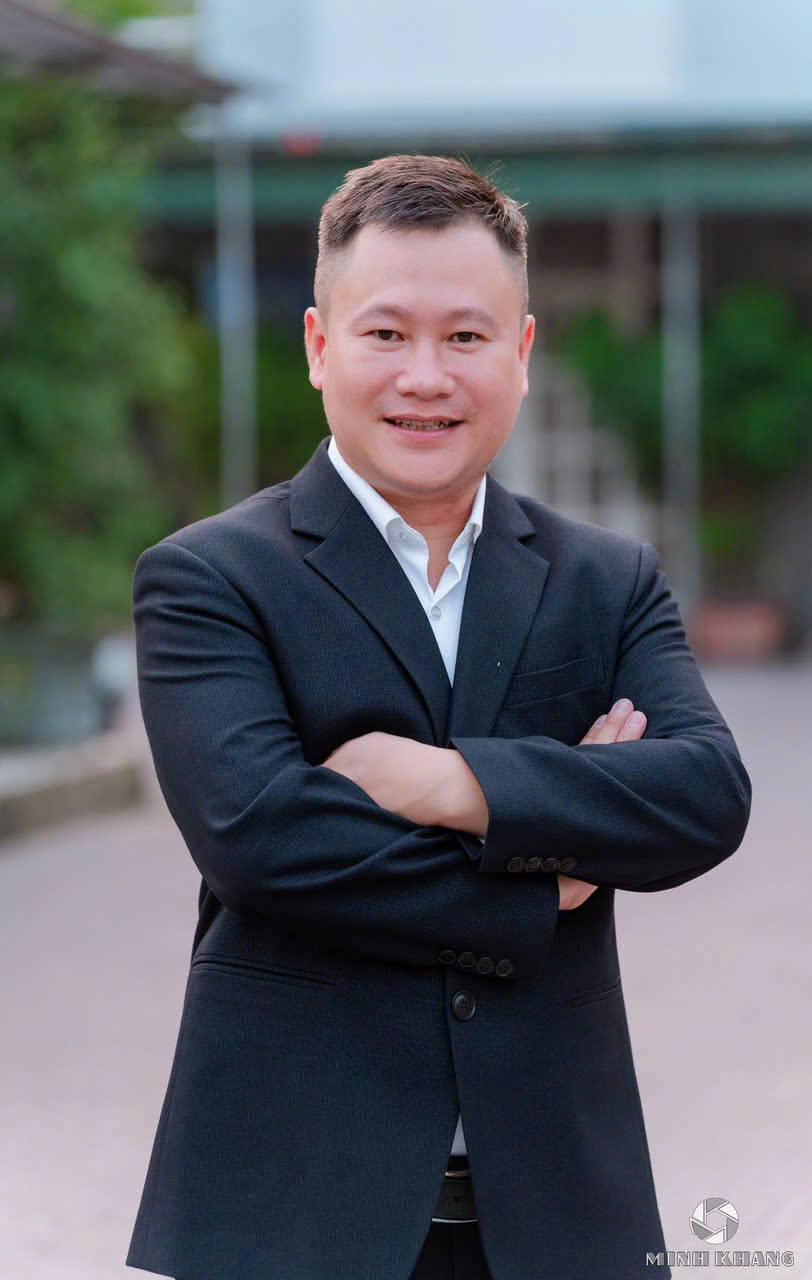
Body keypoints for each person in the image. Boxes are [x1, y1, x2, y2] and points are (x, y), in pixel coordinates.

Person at [125, 154, 751, 1280]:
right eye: (385, 334)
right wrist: (548, 874)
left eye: (466, 336)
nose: (426, 376)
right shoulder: (210, 577)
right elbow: (263, 839)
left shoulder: (607, 579)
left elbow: (703, 796)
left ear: (521, 351)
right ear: (320, 346)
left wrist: (446, 784)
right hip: (293, 1207)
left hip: (559, 1209)